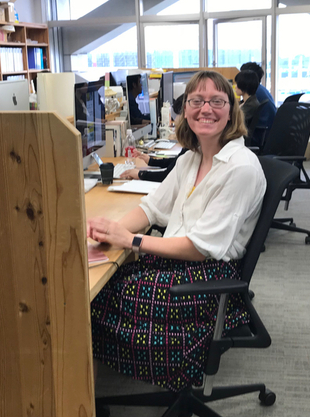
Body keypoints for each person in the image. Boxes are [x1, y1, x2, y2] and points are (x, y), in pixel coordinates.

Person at [88, 70, 266, 393]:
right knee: (105, 284)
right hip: (178, 263)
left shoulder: (240, 167)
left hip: (208, 278)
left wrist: (130, 240)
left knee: (97, 300)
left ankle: (89, 403)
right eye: (197, 101)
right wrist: (108, 230)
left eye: (216, 101)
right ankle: (92, 391)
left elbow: (199, 248)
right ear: (186, 110)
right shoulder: (191, 159)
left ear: (231, 111)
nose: (205, 109)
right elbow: (151, 208)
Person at [234, 70, 262, 136]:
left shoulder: (251, 105)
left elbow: (236, 120)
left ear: (243, 86)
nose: (235, 87)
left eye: (237, 84)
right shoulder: (245, 102)